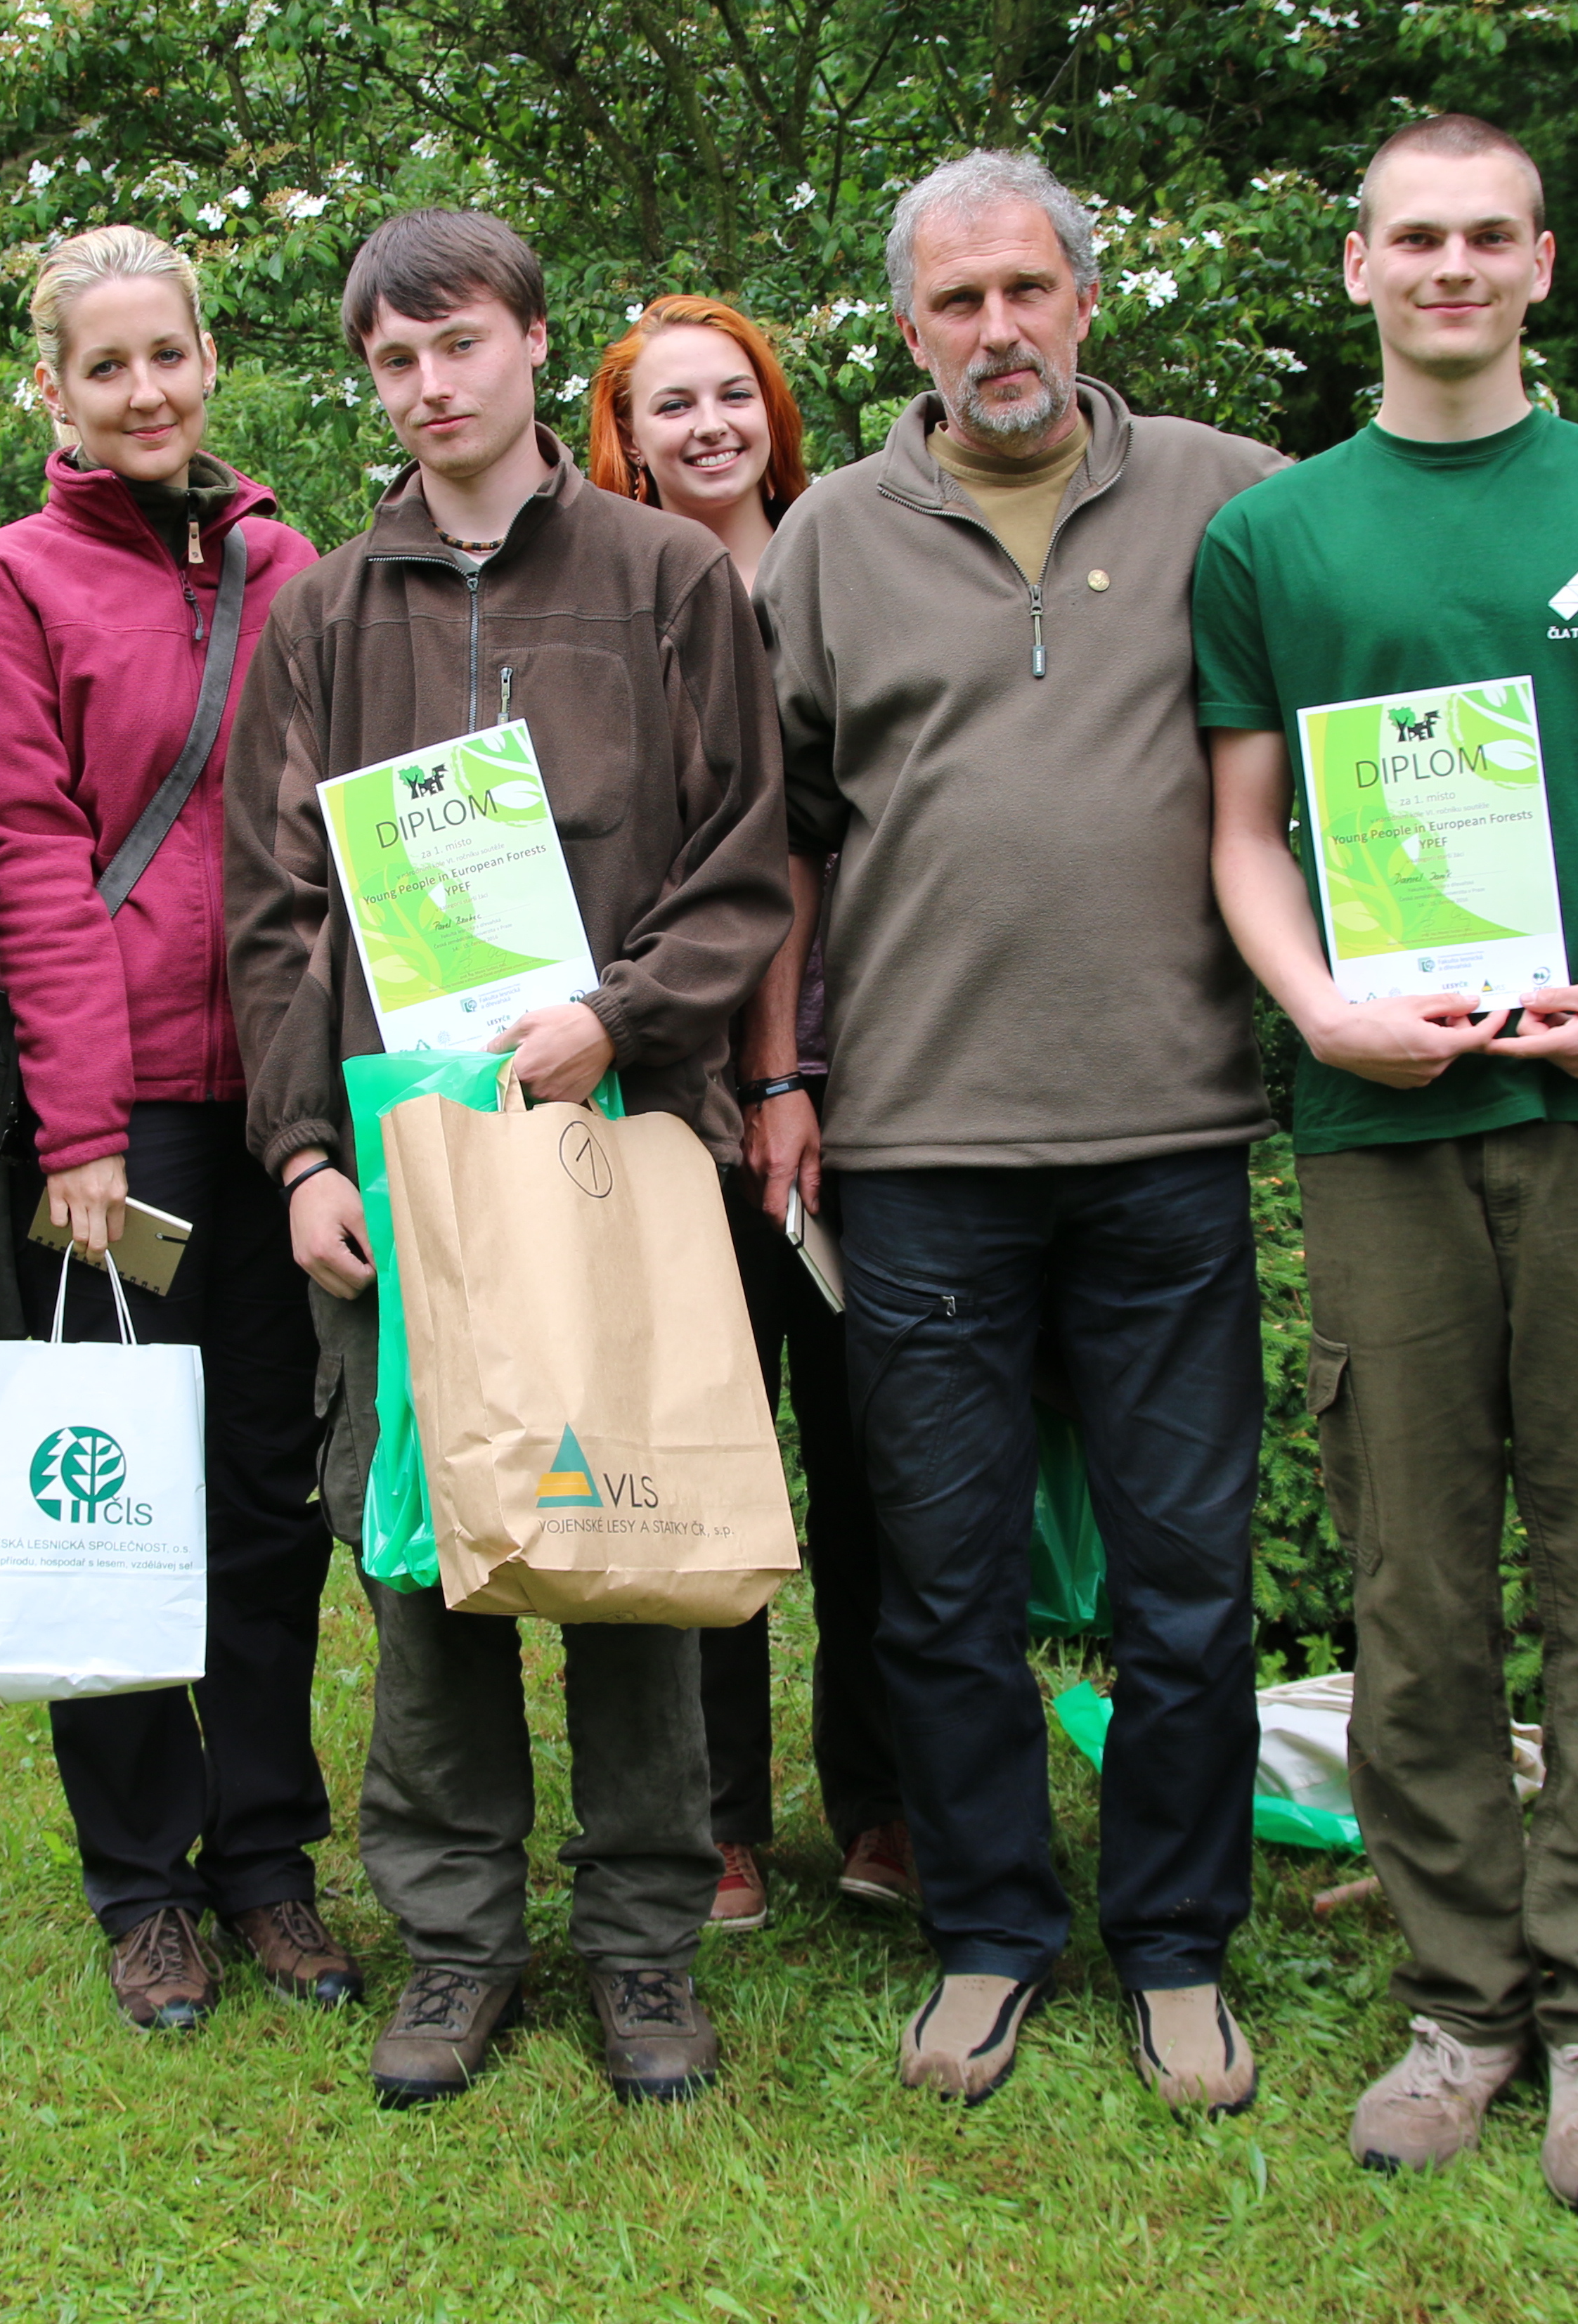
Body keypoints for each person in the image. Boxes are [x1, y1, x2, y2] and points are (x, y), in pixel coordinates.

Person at [749, 146, 1578, 2119]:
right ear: (908, 327)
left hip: (1171, 1134)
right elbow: (784, 838)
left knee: (1184, 1584)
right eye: (955, 302)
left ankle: (1180, 1947)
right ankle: (988, 1935)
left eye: (1027, 288)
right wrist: (779, 1075)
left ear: (1084, 300)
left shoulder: (1234, 496)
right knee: (938, 1583)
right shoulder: (831, 539)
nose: (996, 330)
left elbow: (1446, 484)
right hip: (921, 1142)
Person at [1198, 114, 1578, 2210]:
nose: (1448, 267)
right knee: (1412, 1585)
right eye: (1413, 238)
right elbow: (1235, 831)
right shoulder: (1275, 535)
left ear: (1539, 266)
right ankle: (1459, 2006)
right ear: (1357, 265)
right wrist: (1314, 1010)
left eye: (1486, 237)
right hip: (1381, 1120)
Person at [222, 209, 791, 2107]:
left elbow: (741, 862)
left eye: (456, 342)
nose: (427, 383)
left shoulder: (658, 580)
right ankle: (455, 1941)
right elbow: (281, 909)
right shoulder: (323, 610)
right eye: (391, 359)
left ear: (538, 348)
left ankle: (641, 1944)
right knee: (424, 1552)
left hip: (615, 1139)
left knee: (623, 1532)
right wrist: (304, 1151)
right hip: (404, 1170)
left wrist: (620, 1019)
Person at [0, 225, 358, 2034]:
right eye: (103, 367)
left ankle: (266, 1858)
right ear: (54, 388)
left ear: (209, 361)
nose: (143, 393)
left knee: (265, 1499)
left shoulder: (291, 566)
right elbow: (30, 860)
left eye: (167, 358)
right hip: (106, 1120)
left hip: (276, 1102)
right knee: (106, 1490)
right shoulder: (12, 580)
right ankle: (142, 1881)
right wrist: (79, 1127)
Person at [585, 297, 914, 1931]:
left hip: (884, 1075)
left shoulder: (857, 552)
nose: (707, 426)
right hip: (674, 1091)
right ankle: (710, 1817)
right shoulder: (614, 596)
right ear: (622, 435)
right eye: (671, 406)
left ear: (773, 413)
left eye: (734, 396)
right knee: (701, 1453)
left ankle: (881, 1801)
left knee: (873, 1461)